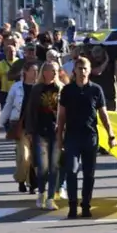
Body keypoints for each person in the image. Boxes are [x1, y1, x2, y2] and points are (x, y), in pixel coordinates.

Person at [56, 57, 117, 219]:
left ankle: (85, 205)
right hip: (72, 137)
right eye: (79, 68)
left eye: (85, 68)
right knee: (71, 171)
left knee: (89, 175)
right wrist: (59, 137)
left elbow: (103, 114)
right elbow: (61, 116)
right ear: (74, 70)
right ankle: (72, 205)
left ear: (89, 70)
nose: (82, 71)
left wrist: (111, 134)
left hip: (90, 137)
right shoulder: (67, 90)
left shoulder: (96, 90)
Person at [24, 61, 65, 210]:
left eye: (56, 71)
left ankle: (50, 198)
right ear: (44, 73)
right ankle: (41, 192)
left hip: (56, 132)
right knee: (43, 167)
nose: (54, 73)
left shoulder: (61, 89)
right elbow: (30, 111)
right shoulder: (37, 89)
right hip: (40, 131)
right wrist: (29, 130)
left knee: (54, 166)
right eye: (51, 71)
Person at [0, 61, 38, 194]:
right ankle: (20, 178)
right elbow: (8, 106)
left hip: (37, 127)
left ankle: (32, 184)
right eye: (33, 70)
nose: (36, 73)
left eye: (37, 71)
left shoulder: (40, 87)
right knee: (24, 156)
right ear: (25, 72)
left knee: (34, 158)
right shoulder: (16, 88)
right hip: (21, 127)